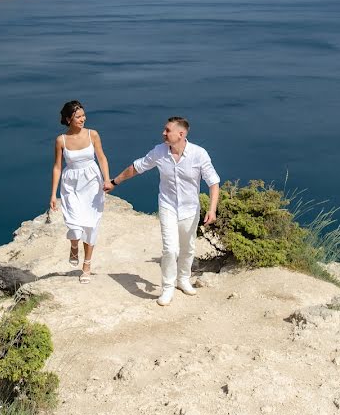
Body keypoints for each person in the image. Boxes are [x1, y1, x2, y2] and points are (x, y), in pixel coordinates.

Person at [105, 117, 220, 306]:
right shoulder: (159, 151)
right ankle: (167, 287)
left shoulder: (199, 154)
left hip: (190, 209)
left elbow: (213, 182)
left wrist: (212, 209)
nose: (163, 133)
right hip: (167, 206)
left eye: (167, 130)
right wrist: (115, 182)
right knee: (170, 249)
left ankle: (183, 280)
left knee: (188, 247)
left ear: (181, 134)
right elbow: (137, 167)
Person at [50, 100, 112, 283]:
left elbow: (101, 158)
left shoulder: (93, 134)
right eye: (78, 117)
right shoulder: (61, 140)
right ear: (68, 119)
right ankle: (74, 246)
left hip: (92, 182)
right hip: (71, 184)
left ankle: (87, 265)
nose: (82, 119)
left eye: (83, 115)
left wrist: (107, 179)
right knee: (74, 224)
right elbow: (57, 168)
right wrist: (53, 194)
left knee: (91, 225)